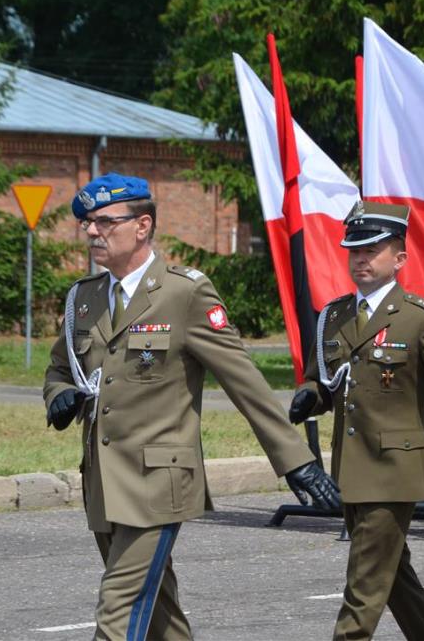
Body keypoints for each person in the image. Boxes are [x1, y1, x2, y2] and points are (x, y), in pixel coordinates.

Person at [43, 172, 340, 641]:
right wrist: (57, 394)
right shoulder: (85, 298)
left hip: (158, 482)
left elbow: (245, 382)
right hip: (103, 481)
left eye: (104, 222)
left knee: (118, 612)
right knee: (160, 614)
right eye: (88, 224)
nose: (92, 232)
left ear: (142, 226)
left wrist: (295, 461)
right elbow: (61, 367)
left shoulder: (185, 293)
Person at [289, 200, 424, 641]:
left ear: (400, 259)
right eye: (355, 251)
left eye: (373, 250)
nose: (361, 259)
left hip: (393, 472)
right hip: (350, 467)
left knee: (363, 587)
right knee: (393, 576)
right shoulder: (335, 316)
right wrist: (309, 399)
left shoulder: (420, 318)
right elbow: (323, 381)